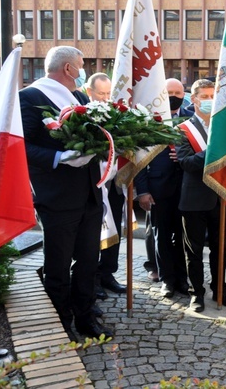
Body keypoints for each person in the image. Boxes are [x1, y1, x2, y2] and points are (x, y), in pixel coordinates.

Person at [19, 46, 113, 340]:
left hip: (89, 194)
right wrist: (60, 158)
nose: (82, 70)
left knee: (87, 261)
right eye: (81, 65)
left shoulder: (81, 97)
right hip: (57, 196)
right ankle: (61, 323)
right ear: (68, 68)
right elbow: (21, 145)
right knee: (58, 266)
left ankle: (86, 318)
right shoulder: (30, 98)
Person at [176, 79, 226, 313]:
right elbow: (186, 163)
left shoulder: (225, 127)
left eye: (213, 96)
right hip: (193, 200)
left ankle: (220, 289)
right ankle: (197, 293)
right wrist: (213, 149)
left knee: (220, 249)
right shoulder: (183, 129)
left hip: (221, 197)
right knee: (193, 251)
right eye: (205, 96)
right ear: (194, 99)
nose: (210, 101)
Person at [135, 78, 191, 298]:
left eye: (179, 92)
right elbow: (139, 159)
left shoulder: (192, 117)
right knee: (163, 236)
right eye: (169, 92)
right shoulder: (148, 120)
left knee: (184, 237)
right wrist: (143, 191)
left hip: (187, 188)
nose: (174, 96)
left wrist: (187, 156)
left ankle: (183, 279)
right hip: (158, 189)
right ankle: (167, 279)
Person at [84, 73, 127, 299]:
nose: (105, 98)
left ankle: (108, 273)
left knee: (114, 229)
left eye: (108, 93)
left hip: (114, 184)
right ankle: (92, 279)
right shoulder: (80, 115)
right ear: (89, 92)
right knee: (94, 233)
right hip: (92, 185)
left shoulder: (115, 115)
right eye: (101, 93)